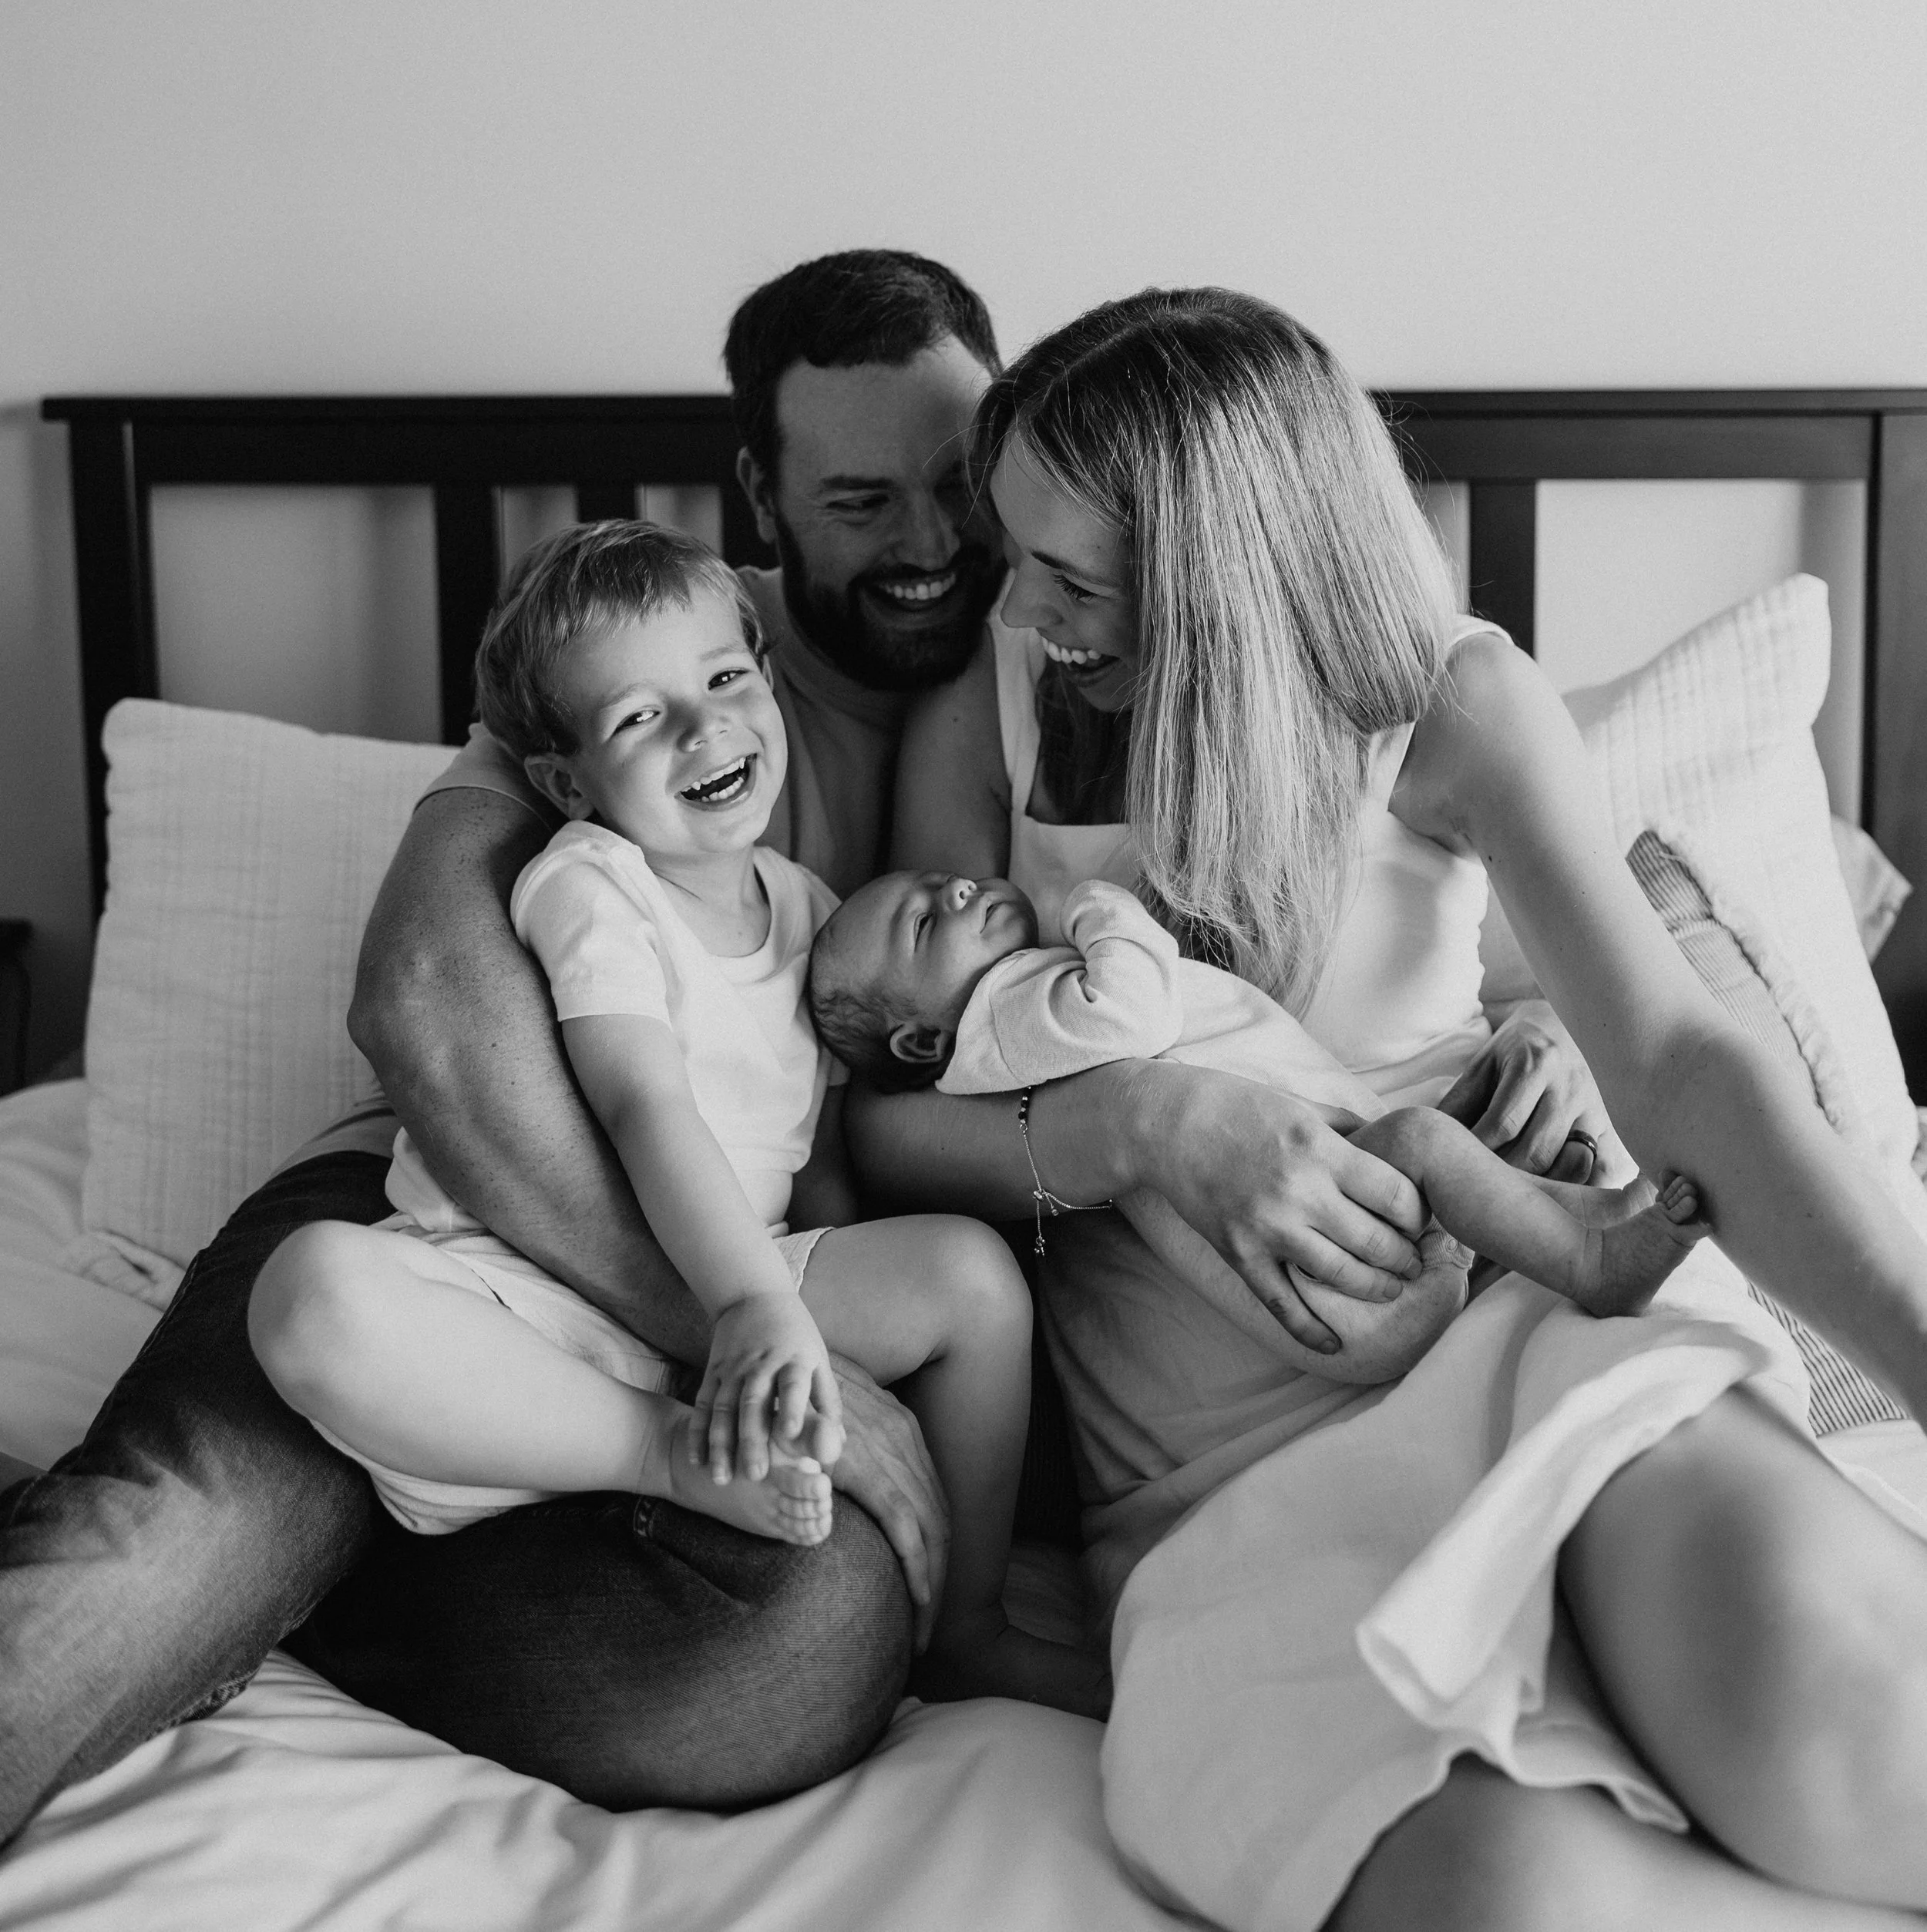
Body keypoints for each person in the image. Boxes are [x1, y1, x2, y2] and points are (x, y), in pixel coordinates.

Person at [854, 287, 1927, 1931]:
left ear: (1226, 564)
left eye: (1074, 572)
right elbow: (877, 1128)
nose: (1023, 607)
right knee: (1505, 1896)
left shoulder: (1448, 707)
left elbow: (1687, 1069)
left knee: (1814, 1687)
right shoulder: (984, 722)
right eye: (1020, 556)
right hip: (1217, 1497)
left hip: (1516, 1340)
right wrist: (1143, 1123)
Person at [0, 247, 1031, 1844]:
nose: (926, 540)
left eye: (956, 481)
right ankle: (221, 1563)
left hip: (707, 1304)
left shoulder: (1078, 657)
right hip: (451, 1216)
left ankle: (315, 1569)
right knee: (152, 1564)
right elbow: (423, 1005)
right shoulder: (628, 639)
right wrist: (741, 1324)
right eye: (855, 499)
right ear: (758, 494)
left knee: (804, 1647)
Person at [251, 521, 1102, 1714]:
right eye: (640, 718)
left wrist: (828, 1329)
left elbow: (815, 1165)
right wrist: (751, 1305)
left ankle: (966, 1621)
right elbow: (644, 1101)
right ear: (566, 781)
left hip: (723, 1298)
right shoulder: (594, 884)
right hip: (525, 1300)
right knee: (310, 1292)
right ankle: (657, 1453)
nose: (706, 728)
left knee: (968, 1280)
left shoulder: (809, 913)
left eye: (724, 679)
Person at [809, 867, 1706, 1367]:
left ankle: (1576, 1227)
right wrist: (1097, 907)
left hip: (1335, 1234)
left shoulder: (1010, 1026)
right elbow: (1135, 1010)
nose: (957, 894)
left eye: (941, 883)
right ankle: (1591, 1261)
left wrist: (1548, 1025)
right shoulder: (1008, 1013)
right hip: (1330, 1258)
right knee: (1429, 1145)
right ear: (922, 1046)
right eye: (927, 926)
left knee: (1438, 1146)